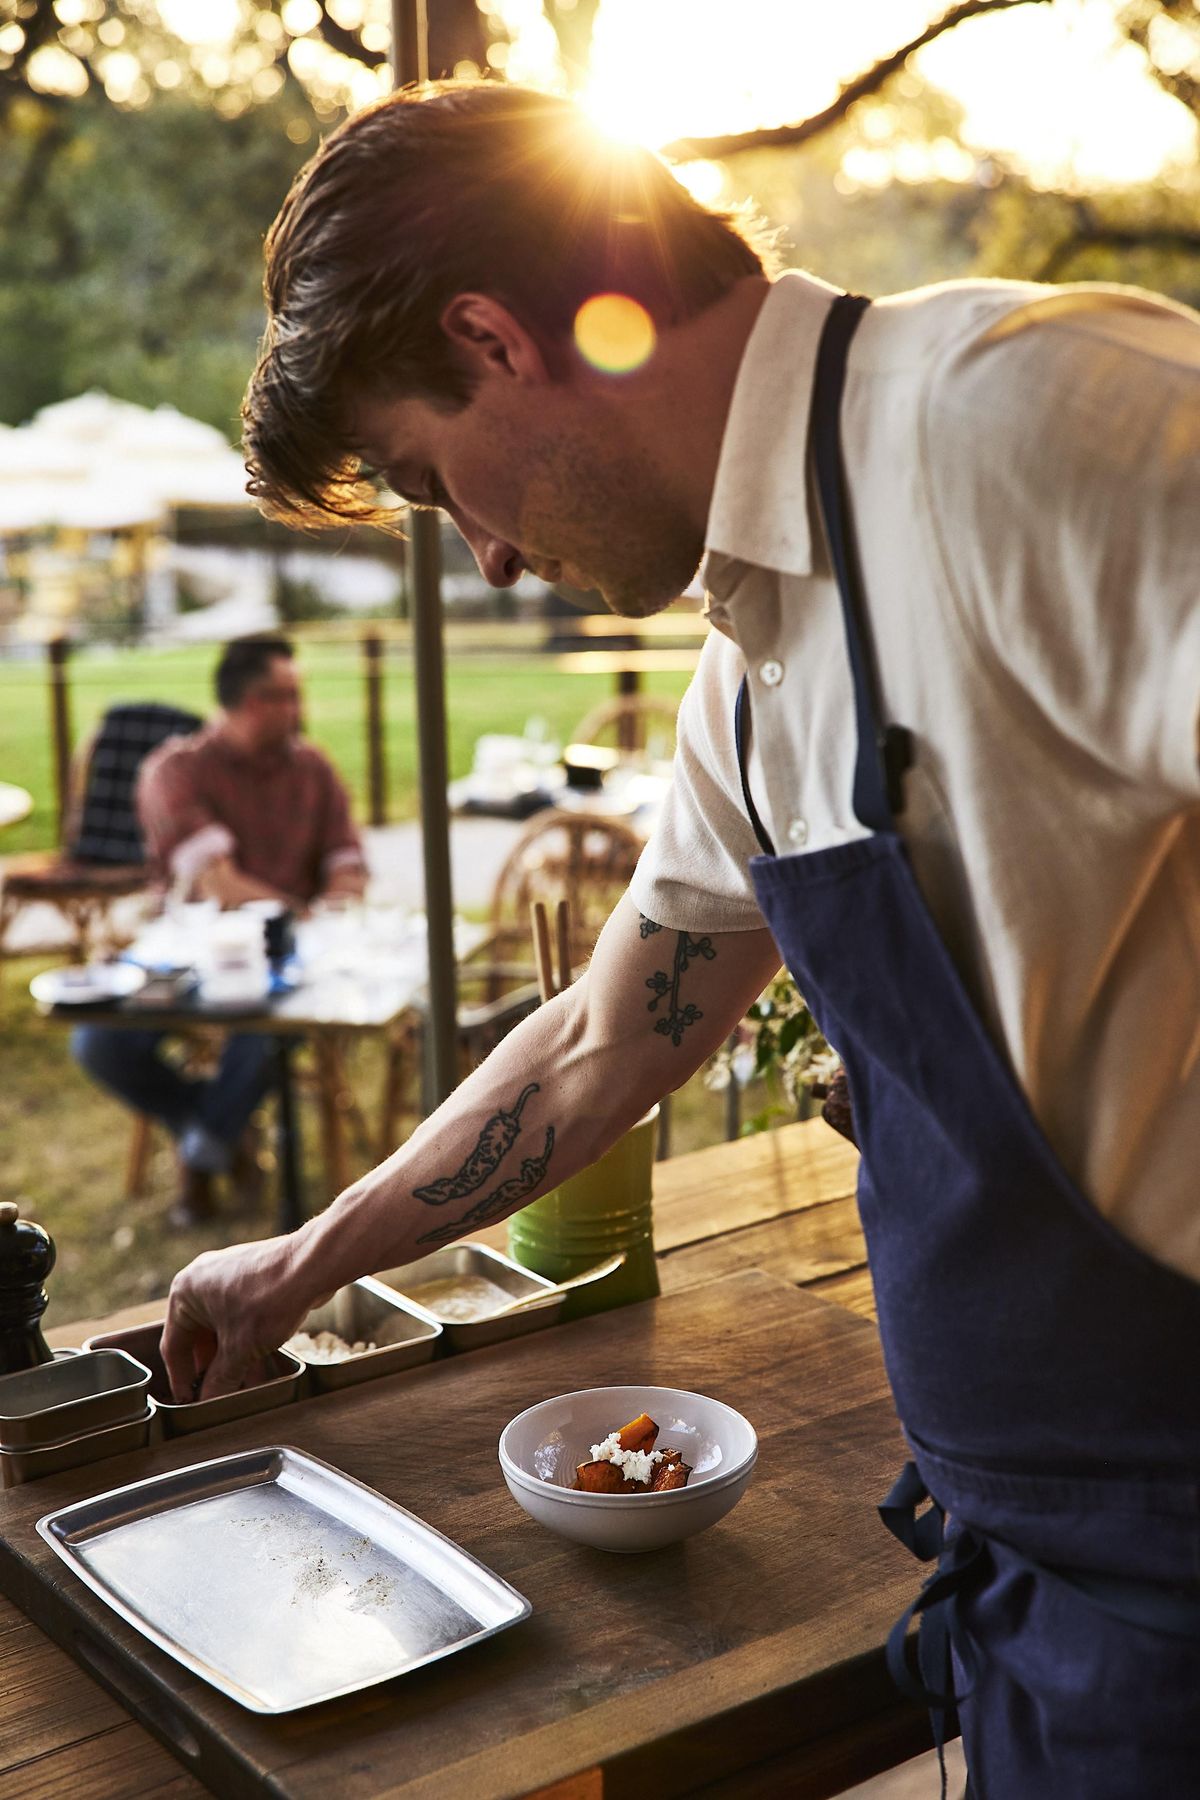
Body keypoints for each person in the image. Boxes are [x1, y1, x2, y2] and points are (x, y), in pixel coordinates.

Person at [162, 83, 1200, 1797]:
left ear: (493, 337)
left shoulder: (1022, 421)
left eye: (438, 485)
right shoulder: (756, 672)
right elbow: (596, 1049)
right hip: (1042, 1587)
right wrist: (299, 1266)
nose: (488, 561)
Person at [73, 634, 366, 1227]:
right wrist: (301, 907)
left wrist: (331, 902)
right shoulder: (174, 771)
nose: (296, 710)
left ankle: (201, 1158)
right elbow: (217, 883)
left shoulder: (312, 767)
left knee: (265, 1029)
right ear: (242, 701)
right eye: (281, 697)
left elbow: (349, 863)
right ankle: (214, 1135)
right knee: (98, 1042)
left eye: (297, 694)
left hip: (285, 963)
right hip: (186, 955)